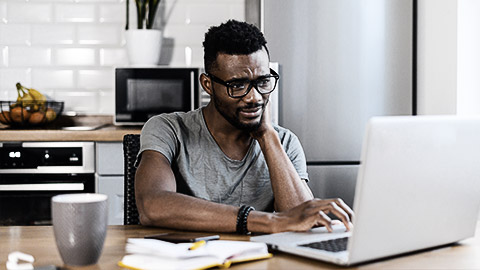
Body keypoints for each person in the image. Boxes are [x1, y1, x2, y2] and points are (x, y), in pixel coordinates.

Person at [135, 20, 353, 234]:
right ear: (208, 85)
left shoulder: (285, 142)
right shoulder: (168, 129)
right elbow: (151, 206)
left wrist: (267, 136)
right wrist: (269, 222)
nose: (254, 97)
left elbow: (301, 220)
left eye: (263, 82)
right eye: (237, 85)